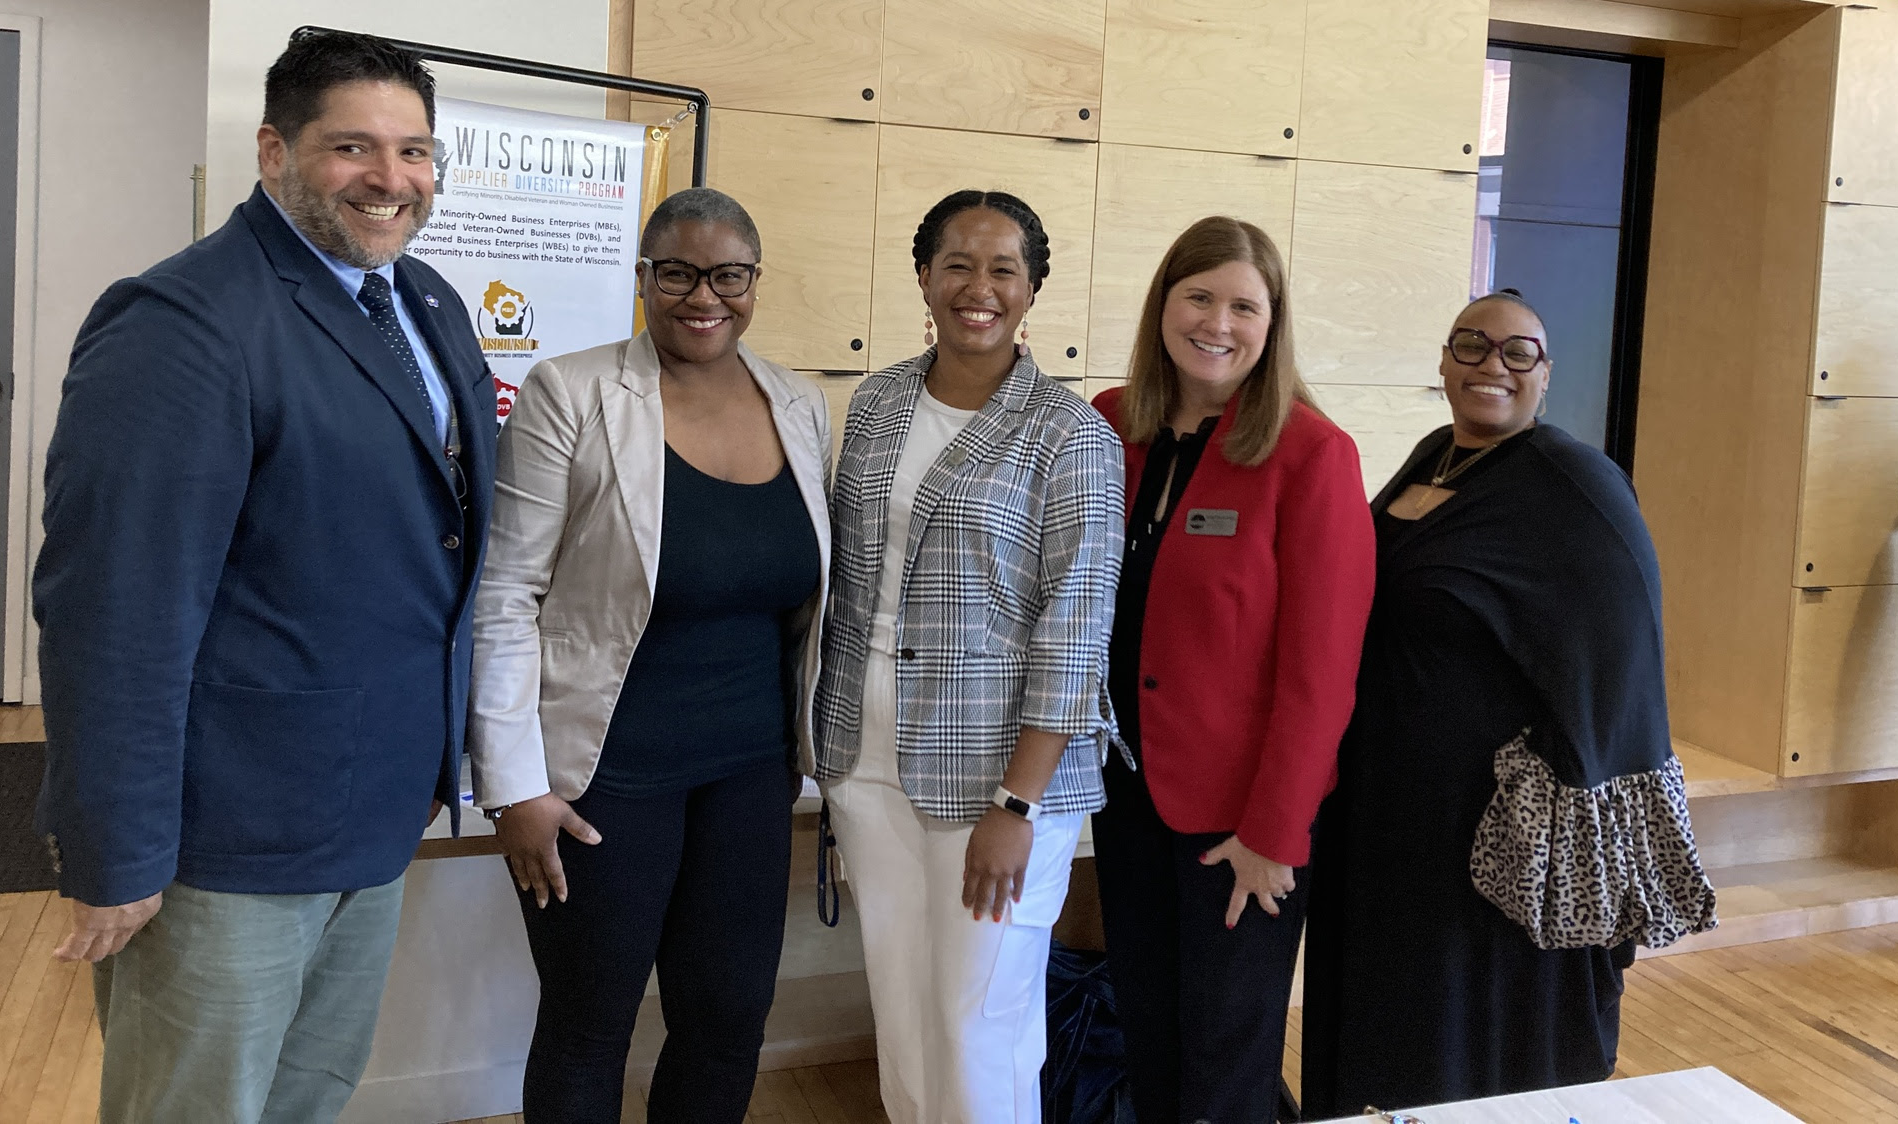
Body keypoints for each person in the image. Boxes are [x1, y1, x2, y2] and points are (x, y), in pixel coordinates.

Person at [33, 29, 496, 1124]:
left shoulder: (424, 302)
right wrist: (117, 846)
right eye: (353, 147)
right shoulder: (186, 320)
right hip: (227, 835)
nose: (392, 180)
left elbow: (438, 537)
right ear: (272, 152)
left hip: (373, 805)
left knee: (307, 1099)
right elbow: (113, 609)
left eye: (416, 151)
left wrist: (440, 751)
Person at [1299, 290, 1715, 1117]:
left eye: (1519, 352)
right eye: (1473, 346)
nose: (1494, 365)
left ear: (1546, 374)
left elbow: (1624, 663)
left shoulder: (1574, 485)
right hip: (1386, 815)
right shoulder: (1435, 457)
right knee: (1388, 1012)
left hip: (1489, 831)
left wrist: (1578, 805)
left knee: (1466, 1037)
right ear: (1446, 362)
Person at [468, 188, 832, 1123]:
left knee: (728, 1021)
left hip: (752, 773)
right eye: (676, 272)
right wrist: (513, 787)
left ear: (755, 282)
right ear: (644, 279)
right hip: (603, 779)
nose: (702, 295)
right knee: (591, 1026)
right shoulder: (572, 391)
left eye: (727, 275)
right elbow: (507, 594)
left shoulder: (796, 402)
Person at [812, 189, 1124, 1124]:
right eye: (957, 264)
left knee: (980, 1026)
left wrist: (1016, 806)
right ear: (923, 276)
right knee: (905, 1017)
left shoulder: (1072, 437)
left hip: (998, 783)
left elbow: (1075, 634)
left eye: (1003, 270)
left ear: (1032, 291)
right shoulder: (875, 404)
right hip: (865, 763)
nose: (977, 288)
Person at [1088, 217, 1375, 1124]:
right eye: (1199, 297)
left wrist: (1275, 832)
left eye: (1243, 305)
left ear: (1272, 321)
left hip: (1241, 823)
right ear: (1164, 306)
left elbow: (1322, 671)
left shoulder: (1312, 453)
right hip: (1124, 796)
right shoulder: (1108, 423)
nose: (1218, 323)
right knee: (1151, 1033)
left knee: (1225, 1061)